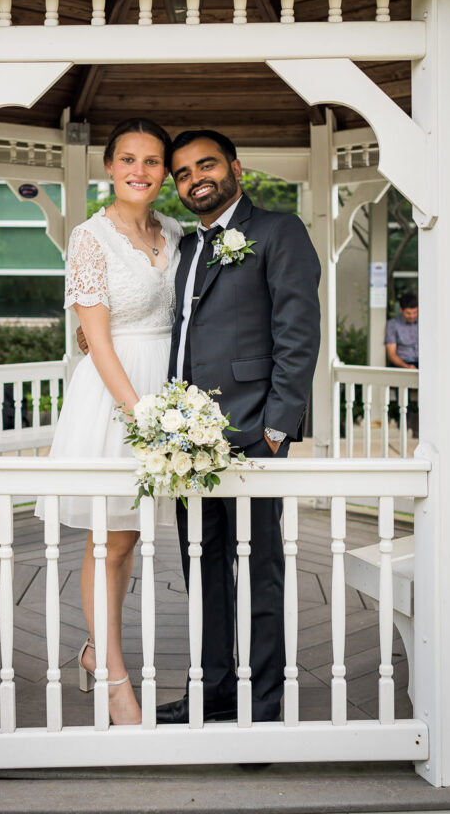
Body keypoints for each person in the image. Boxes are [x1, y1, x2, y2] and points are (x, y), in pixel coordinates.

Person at [155, 129, 321, 725]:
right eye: (182, 172)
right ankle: (215, 689)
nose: (195, 177)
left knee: (259, 572)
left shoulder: (279, 231)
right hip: (184, 443)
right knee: (203, 569)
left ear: (236, 169)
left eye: (207, 165)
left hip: (254, 436)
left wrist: (276, 428)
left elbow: (298, 337)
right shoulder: (184, 247)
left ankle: (264, 703)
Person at [39, 117, 182, 725]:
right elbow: (94, 339)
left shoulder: (176, 232)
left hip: (164, 383)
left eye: (152, 161)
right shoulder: (88, 237)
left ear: (165, 172)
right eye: (128, 159)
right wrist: (141, 415)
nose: (139, 171)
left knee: (130, 538)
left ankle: (99, 650)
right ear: (108, 166)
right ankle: (116, 678)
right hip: (115, 393)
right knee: (108, 536)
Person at [385, 293, 419, 370]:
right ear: (401, 310)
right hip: (402, 365)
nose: (412, 316)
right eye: (408, 313)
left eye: (415, 312)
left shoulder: (423, 322)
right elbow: (391, 354)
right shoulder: (393, 324)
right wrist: (407, 367)